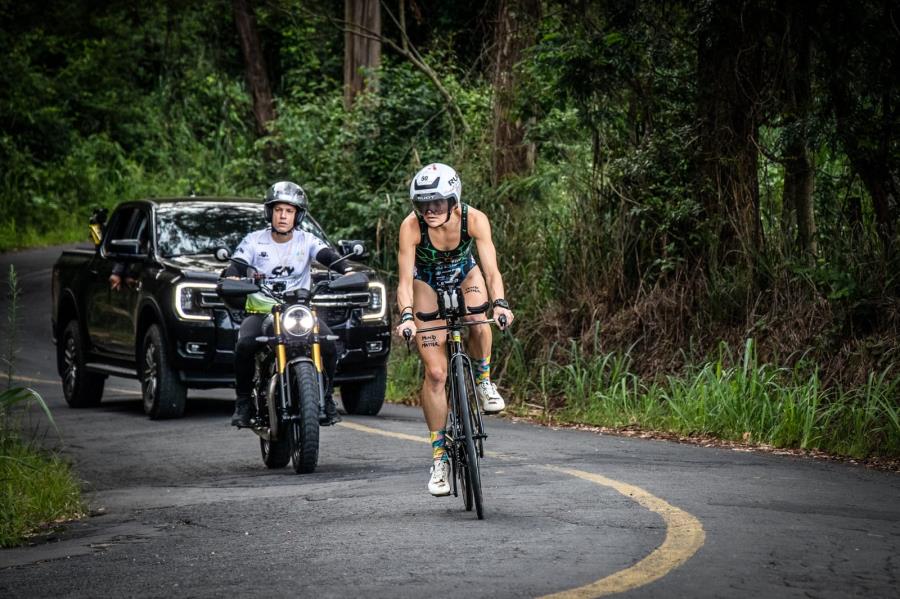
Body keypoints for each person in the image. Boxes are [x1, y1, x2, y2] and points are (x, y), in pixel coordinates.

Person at [394, 163, 514, 496]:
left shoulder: (474, 219)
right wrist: (406, 316)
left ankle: (484, 380)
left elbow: (491, 271)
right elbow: (404, 281)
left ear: (454, 200)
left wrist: (501, 303)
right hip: (426, 282)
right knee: (435, 374)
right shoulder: (411, 226)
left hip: (466, 275)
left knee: (477, 317)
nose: (429, 210)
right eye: (423, 203)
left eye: (437, 202)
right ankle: (439, 459)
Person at [223, 181, 350, 428]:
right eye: (278, 209)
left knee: (330, 346)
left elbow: (330, 257)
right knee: (244, 345)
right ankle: (243, 403)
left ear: (297, 215)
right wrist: (232, 277)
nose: (283, 216)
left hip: (298, 311)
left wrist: (347, 272)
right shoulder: (254, 241)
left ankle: (325, 397)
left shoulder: (307, 240)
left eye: (289, 211)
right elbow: (236, 265)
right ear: (269, 212)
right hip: (262, 312)